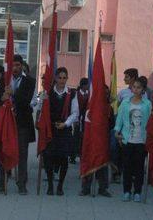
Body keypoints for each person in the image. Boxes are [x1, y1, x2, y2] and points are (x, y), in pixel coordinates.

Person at [35, 67, 79, 196]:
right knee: (48, 158)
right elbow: (39, 110)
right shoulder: (47, 93)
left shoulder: (72, 94)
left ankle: (60, 185)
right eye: (59, 77)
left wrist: (65, 124)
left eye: (64, 78)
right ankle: (49, 184)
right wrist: (41, 104)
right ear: (55, 78)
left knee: (63, 159)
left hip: (64, 129)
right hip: (51, 130)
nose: (62, 80)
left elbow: (75, 113)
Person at [0, 54, 36, 195]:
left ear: (22, 65)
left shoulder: (30, 81)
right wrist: (3, 97)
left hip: (22, 123)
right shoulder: (5, 79)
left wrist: (13, 93)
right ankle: (2, 183)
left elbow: (26, 101)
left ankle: (22, 184)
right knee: (4, 150)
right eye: (13, 65)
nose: (15, 68)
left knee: (22, 154)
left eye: (18, 65)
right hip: (7, 122)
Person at [114, 76, 152, 203]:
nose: (136, 90)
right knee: (127, 167)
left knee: (139, 168)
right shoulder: (125, 103)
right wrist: (117, 132)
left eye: (139, 87)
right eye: (134, 87)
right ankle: (126, 191)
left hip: (141, 140)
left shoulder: (147, 104)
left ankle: (137, 192)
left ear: (143, 90)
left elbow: (150, 122)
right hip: (127, 139)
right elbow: (119, 119)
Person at [80, 84, 112, 198]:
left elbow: (111, 124)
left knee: (102, 163)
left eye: (107, 93)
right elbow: (84, 118)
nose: (105, 95)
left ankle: (103, 188)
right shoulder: (89, 105)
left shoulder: (108, 107)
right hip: (90, 137)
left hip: (103, 138)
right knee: (89, 160)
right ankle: (86, 188)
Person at [71, 78, 90, 164]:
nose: (88, 86)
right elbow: (75, 107)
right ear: (83, 85)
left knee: (84, 138)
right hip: (78, 118)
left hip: (85, 119)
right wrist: (75, 120)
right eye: (86, 85)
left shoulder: (89, 94)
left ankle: (83, 156)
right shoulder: (77, 94)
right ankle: (72, 156)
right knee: (76, 138)